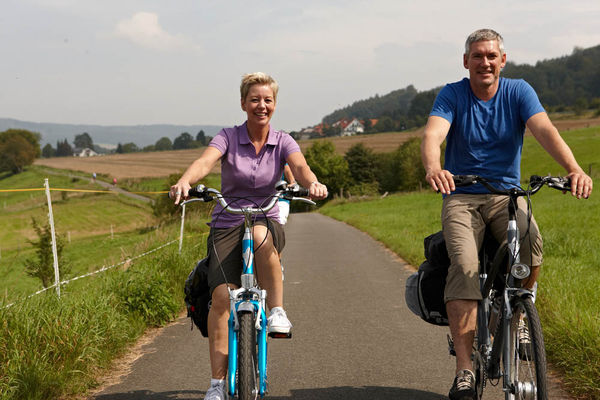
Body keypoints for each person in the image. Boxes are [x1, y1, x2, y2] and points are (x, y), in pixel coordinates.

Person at [421, 29, 592, 400]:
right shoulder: (452, 94)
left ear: (503, 60)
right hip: (462, 195)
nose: (485, 62)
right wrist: (435, 166)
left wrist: (574, 169)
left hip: (506, 194)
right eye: (477, 56)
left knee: (530, 241)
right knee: (464, 267)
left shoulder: (519, 91)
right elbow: (434, 134)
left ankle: (519, 314)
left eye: (491, 56)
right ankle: (464, 370)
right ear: (466, 61)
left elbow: (544, 129)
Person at [170, 72, 328, 400]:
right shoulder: (228, 137)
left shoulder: (283, 140)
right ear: (243, 103)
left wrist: (311, 182)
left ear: (275, 105)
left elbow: (300, 167)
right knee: (221, 299)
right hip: (226, 222)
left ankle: (276, 312)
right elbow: (205, 162)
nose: (261, 105)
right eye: (254, 99)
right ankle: (216, 384)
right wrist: (186, 180)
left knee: (259, 233)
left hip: (264, 218)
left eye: (267, 100)